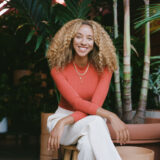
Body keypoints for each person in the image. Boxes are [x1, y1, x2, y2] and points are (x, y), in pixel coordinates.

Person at [46, 19, 130, 160]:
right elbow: (76, 103)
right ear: (70, 40)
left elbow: (94, 106)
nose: (84, 42)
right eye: (79, 37)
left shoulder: (105, 68)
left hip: (89, 119)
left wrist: (65, 121)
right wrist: (111, 115)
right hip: (64, 124)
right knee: (96, 121)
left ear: (96, 42)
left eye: (89, 38)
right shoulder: (58, 69)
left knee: (87, 145)